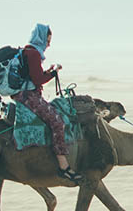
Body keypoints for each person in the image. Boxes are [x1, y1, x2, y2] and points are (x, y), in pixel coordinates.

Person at [13, 24, 83, 183]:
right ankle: (63, 167)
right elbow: (38, 80)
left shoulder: (28, 51)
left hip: (25, 94)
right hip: (29, 96)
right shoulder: (33, 54)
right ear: (42, 38)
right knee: (57, 122)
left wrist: (49, 71)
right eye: (48, 40)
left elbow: (34, 76)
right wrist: (53, 72)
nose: (48, 44)